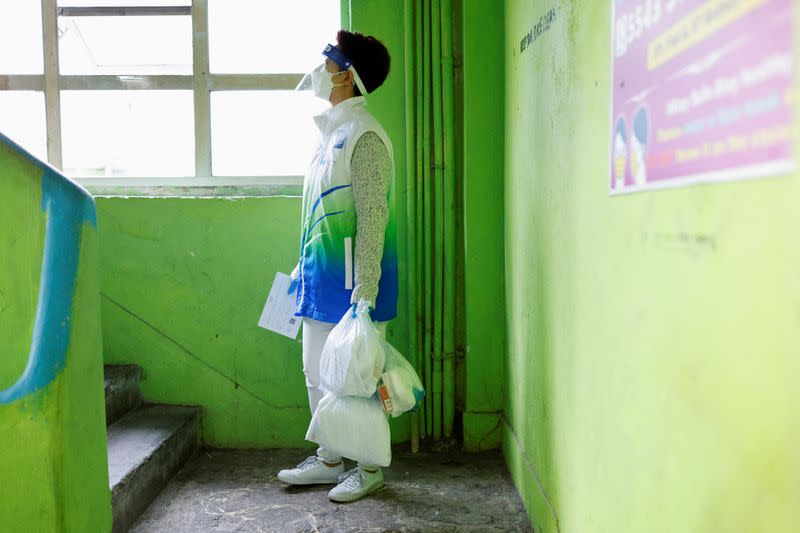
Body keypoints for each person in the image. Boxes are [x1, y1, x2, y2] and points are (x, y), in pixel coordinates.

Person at [277, 30, 397, 503]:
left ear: (346, 75)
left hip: (353, 285)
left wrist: (365, 292)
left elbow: (373, 217)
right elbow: (320, 214)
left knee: (357, 377)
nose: (320, 68)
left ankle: (368, 469)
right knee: (316, 371)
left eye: (328, 60)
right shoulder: (332, 135)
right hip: (319, 277)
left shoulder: (364, 137)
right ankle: (330, 459)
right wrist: (301, 267)